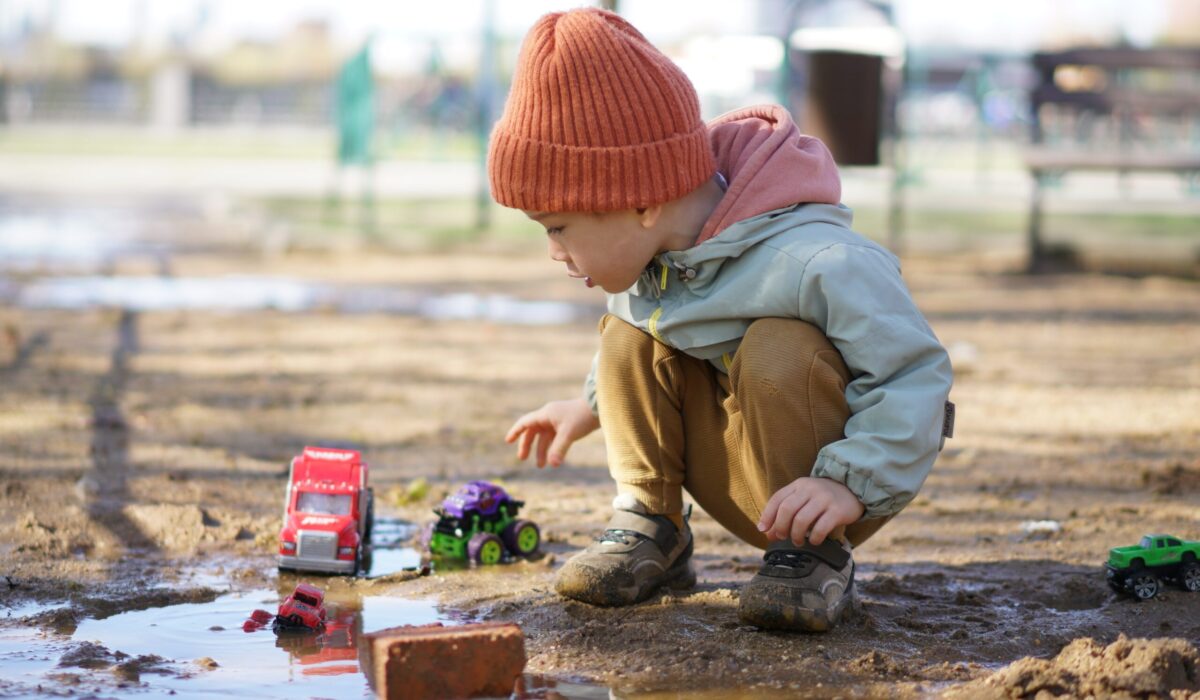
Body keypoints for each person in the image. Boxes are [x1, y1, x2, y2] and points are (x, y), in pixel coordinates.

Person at [491, 8, 953, 632]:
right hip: (736, 474)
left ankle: (816, 559)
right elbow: (659, 330)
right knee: (627, 331)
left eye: (557, 226)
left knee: (778, 343)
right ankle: (653, 528)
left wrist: (851, 483)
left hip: (824, 493)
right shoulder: (654, 261)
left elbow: (914, 374)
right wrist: (592, 405)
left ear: (642, 202)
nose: (554, 251)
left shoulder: (815, 258)